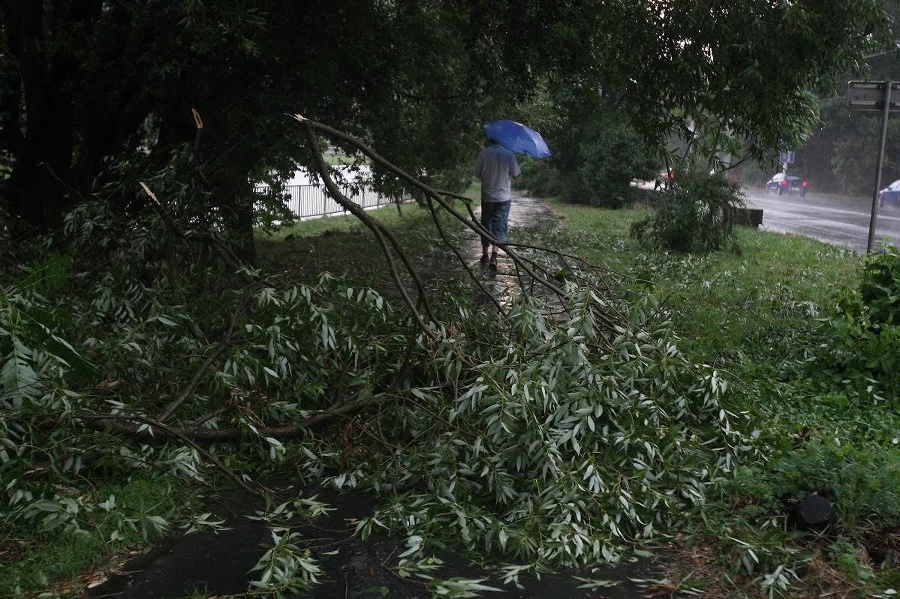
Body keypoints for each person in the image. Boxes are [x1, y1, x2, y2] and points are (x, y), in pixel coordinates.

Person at [474, 136, 521, 270]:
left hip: (487, 196)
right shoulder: (509, 154)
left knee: (485, 224)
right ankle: (494, 255)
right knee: (499, 225)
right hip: (503, 197)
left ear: (490, 140)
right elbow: (516, 174)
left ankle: (484, 254)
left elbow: (477, 173)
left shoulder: (484, 153)